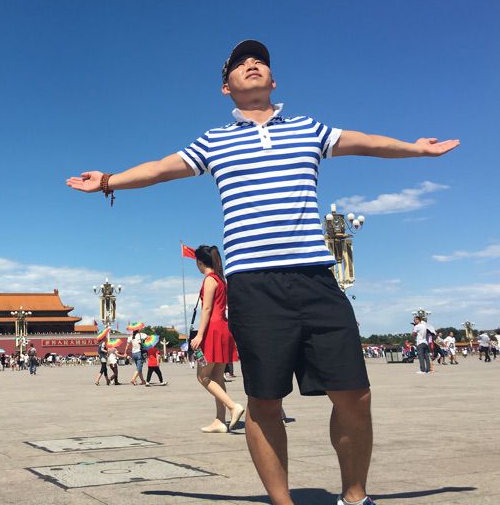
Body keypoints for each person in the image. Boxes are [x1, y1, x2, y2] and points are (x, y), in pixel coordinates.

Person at [66, 39, 459, 505]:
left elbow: (365, 142)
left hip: (315, 277)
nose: (251, 64)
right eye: (239, 63)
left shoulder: (309, 129)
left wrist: (415, 150)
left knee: (355, 394)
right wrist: (108, 181)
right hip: (253, 285)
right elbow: (160, 169)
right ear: (225, 87)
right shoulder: (214, 141)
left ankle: (355, 496)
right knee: (265, 400)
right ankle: (281, 501)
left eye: (260, 61)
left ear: (273, 80)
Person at [190, 245, 243, 433]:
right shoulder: (221, 280)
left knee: (202, 376)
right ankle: (220, 420)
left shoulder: (209, 280)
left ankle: (232, 406)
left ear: (200, 262)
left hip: (211, 331)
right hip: (223, 329)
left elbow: (207, 309)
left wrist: (199, 334)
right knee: (217, 377)